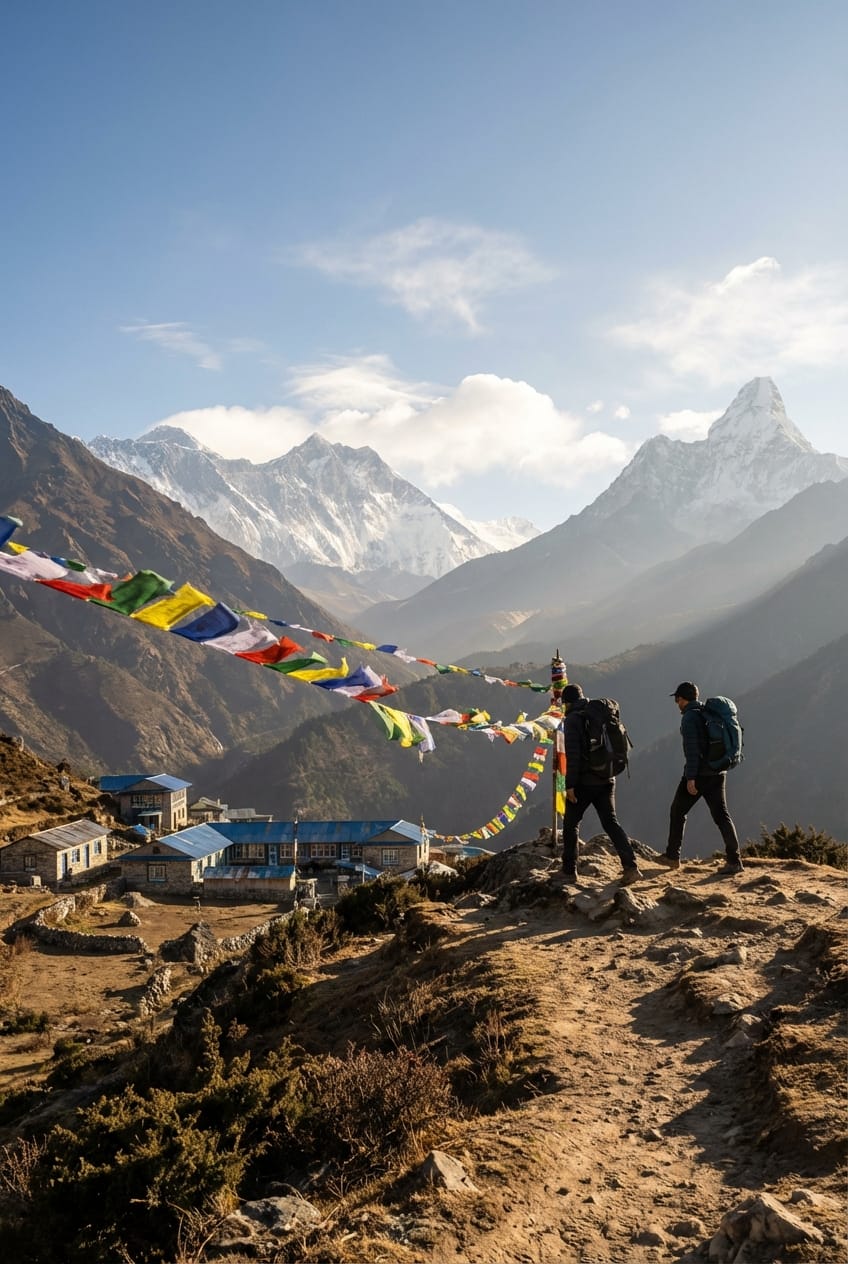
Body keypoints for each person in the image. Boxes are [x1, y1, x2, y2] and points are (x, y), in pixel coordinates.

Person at [559, 683, 641, 885]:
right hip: (607, 778)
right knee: (611, 822)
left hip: (585, 782)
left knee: (570, 823)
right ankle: (631, 867)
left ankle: (569, 871)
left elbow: (573, 755)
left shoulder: (573, 720)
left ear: (567, 703)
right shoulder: (598, 714)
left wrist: (569, 785)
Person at [658, 682, 743, 875]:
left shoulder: (689, 717)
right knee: (722, 816)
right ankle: (735, 861)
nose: (676, 703)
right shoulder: (707, 712)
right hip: (718, 772)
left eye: (677, 699)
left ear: (682, 699)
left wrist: (691, 778)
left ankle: (672, 857)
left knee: (677, 811)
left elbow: (692, 750)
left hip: (700, 774)